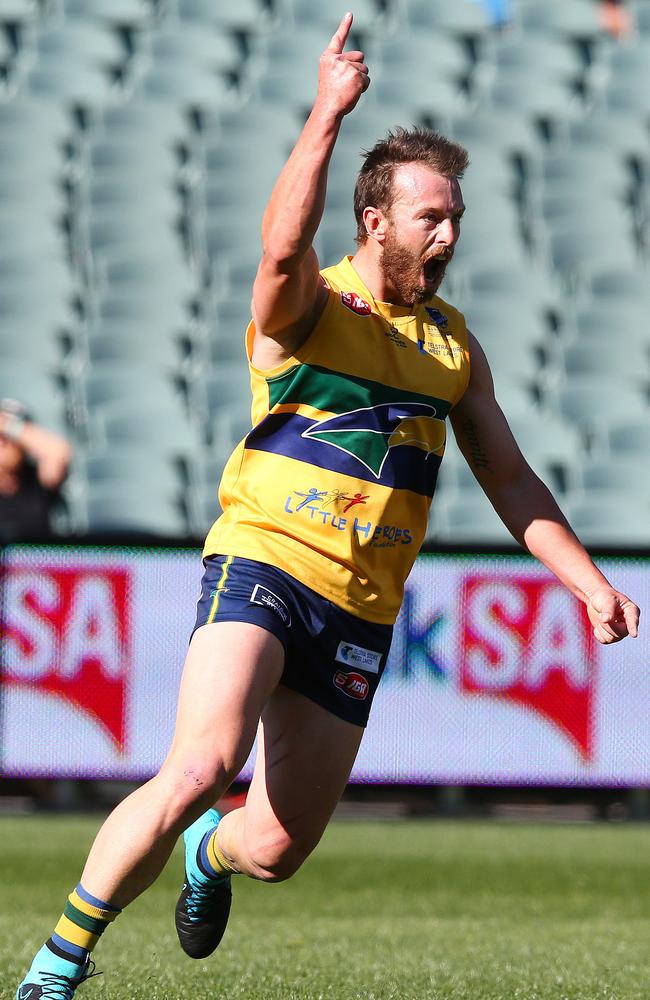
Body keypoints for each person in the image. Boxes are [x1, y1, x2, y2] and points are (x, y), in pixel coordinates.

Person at [16, 13, 640, 998]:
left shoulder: (451, 347)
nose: (448, 230)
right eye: (429, 214)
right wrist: (325, 113)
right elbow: (276, 248)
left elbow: (510, 479)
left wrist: (584, 581)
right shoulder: (312, 305)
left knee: (269, 847)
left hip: (358, 609)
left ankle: (205, 859)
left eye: (456, 217)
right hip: (263, 563)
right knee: (198, 764)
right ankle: (54, 968)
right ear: (373, 222)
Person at [0, 398, 71, 543]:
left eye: (9, 437)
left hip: (34, 561)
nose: (3, 442)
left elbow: (60, 452)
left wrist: (8, 426)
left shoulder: (37, 480)